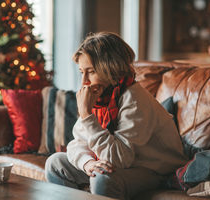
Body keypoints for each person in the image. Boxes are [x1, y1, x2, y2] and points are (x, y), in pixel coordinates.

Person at [45, 32, 187, 200]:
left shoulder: (134, 100)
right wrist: (88, 163)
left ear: (110, 69)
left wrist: (86, 115)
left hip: (155, 170)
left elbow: (119, 159)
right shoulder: (100, 97)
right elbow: (77, 143)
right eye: (82, 71)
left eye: (90, 72)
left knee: (103, 179)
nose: (84, 81)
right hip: (122, 164)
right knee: (55, 163)